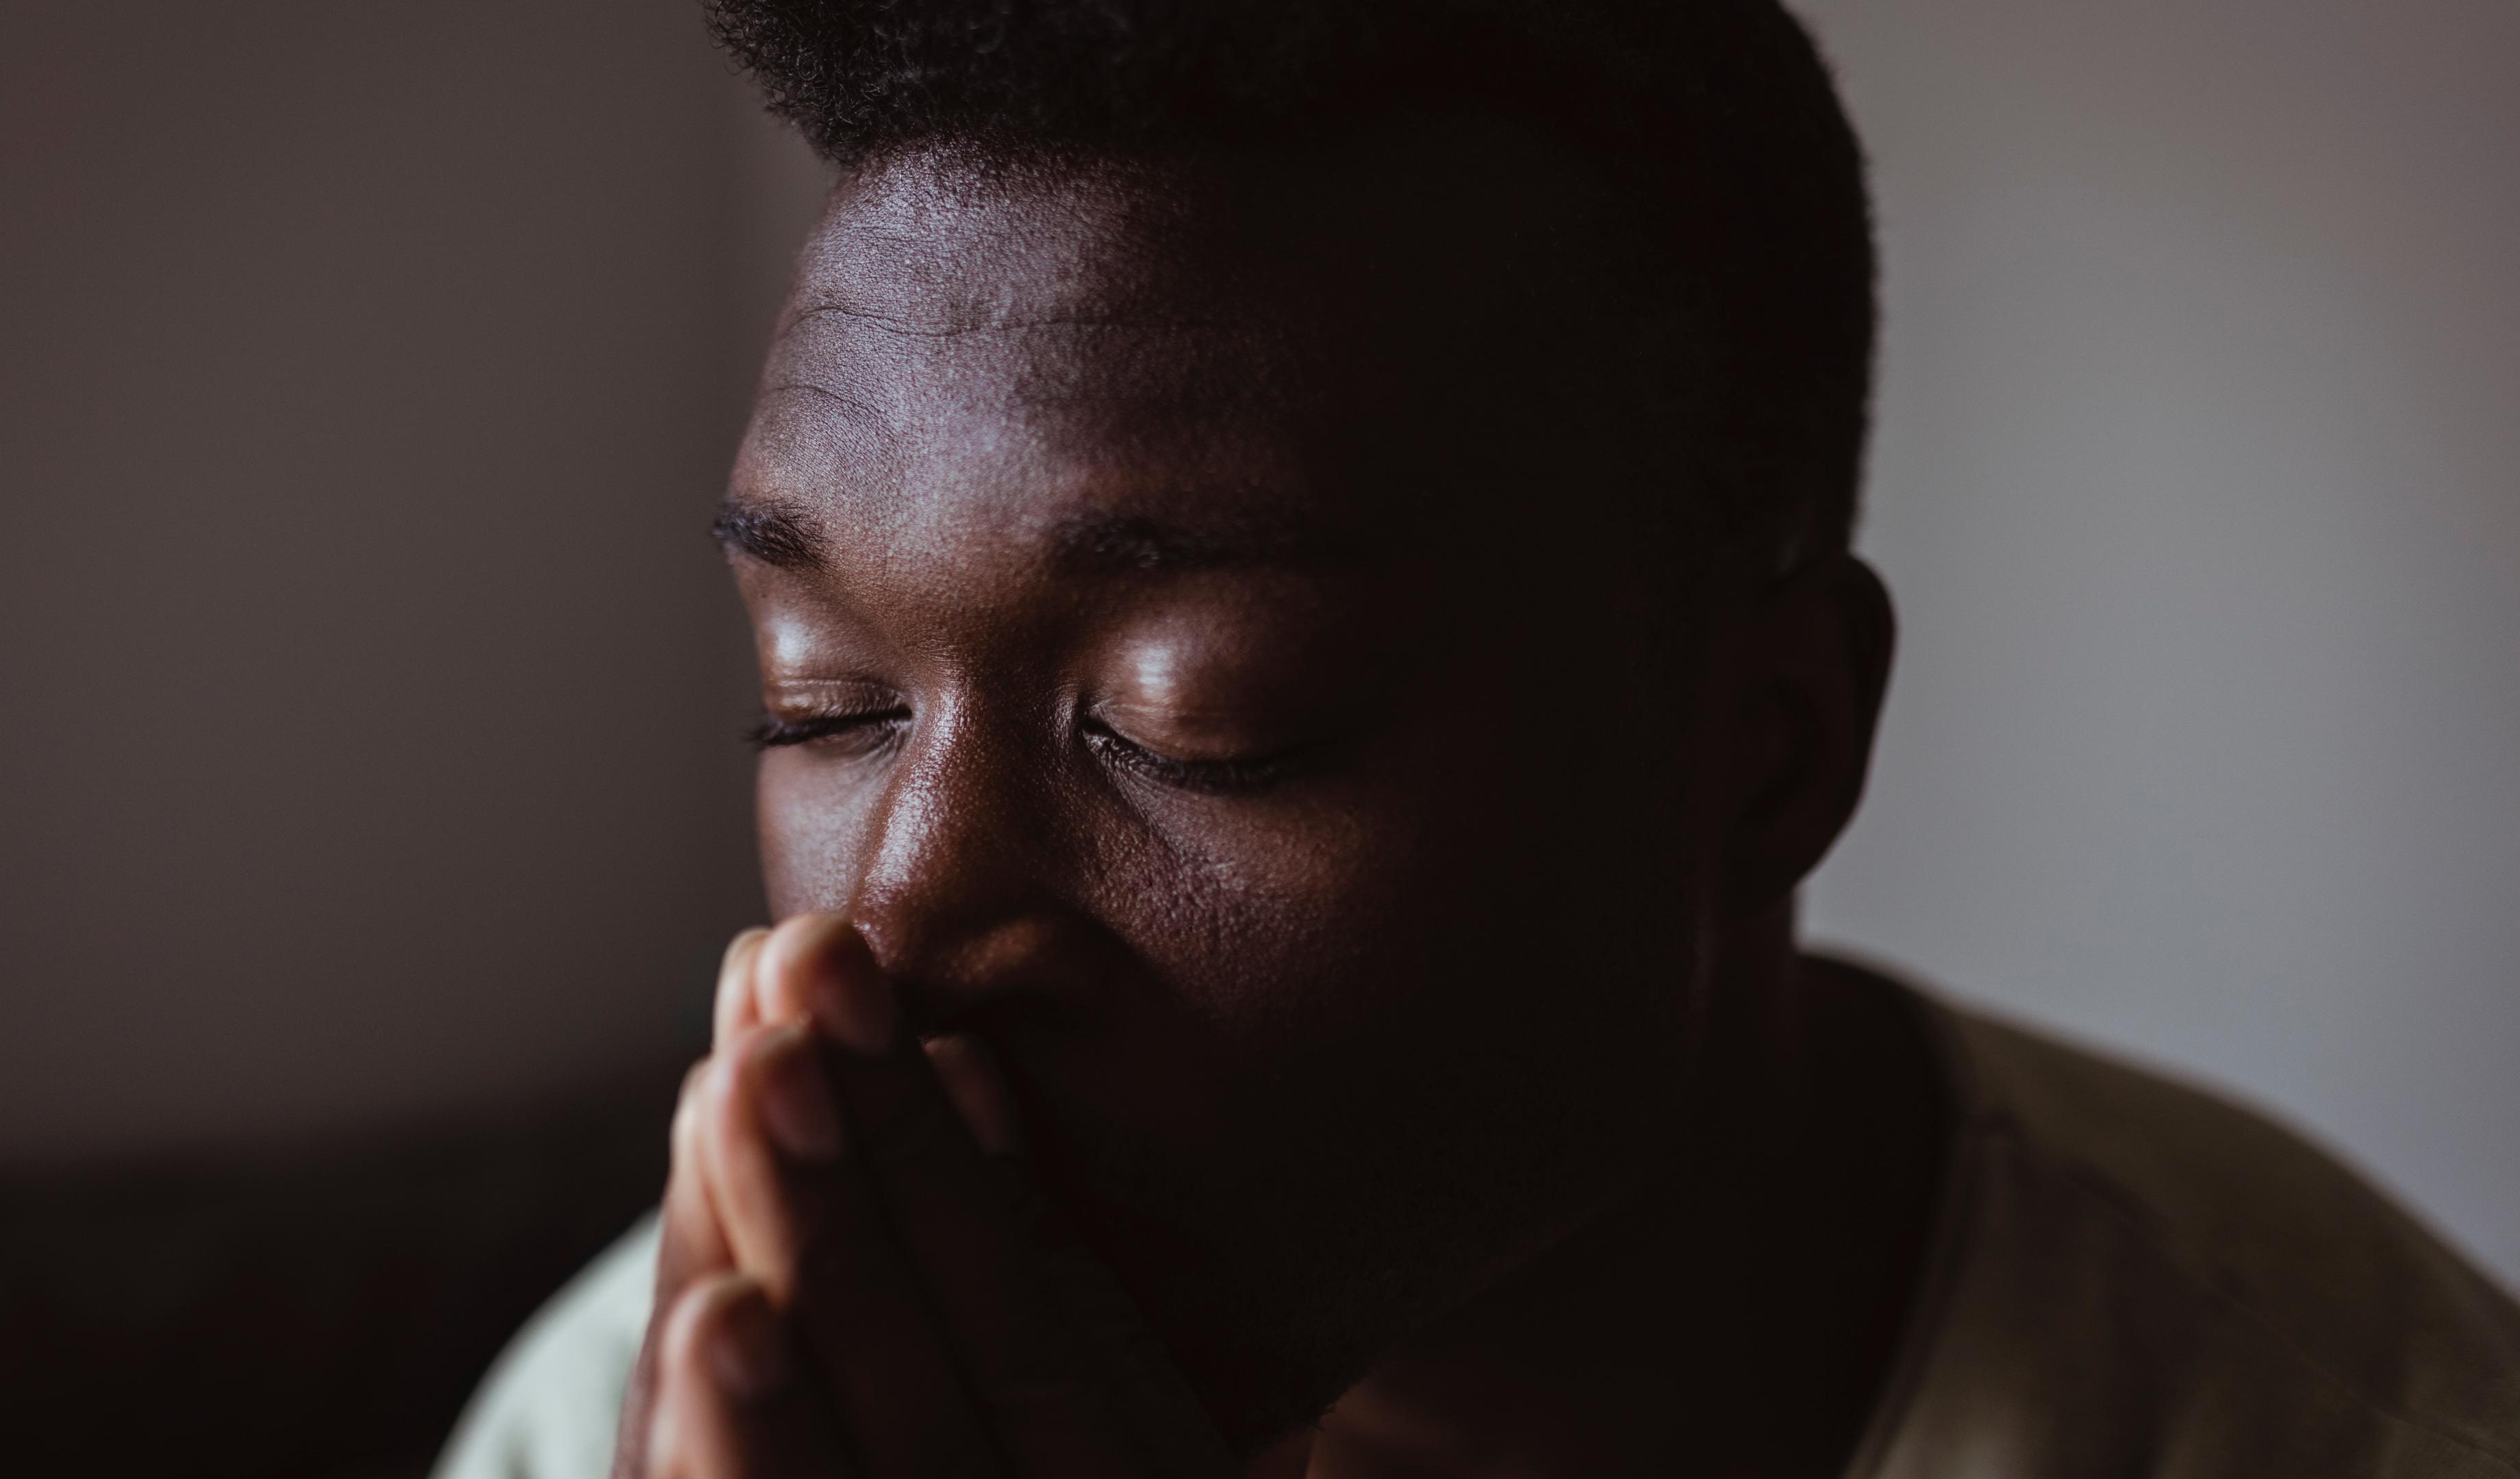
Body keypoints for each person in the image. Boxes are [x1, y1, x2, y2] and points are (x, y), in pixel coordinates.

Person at [435, 1, 2520, 1475]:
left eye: (1199, 727)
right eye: (827, 702)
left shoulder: (2359, 1430)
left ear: (1770, 750)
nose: (896, 926)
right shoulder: (647, 1406)